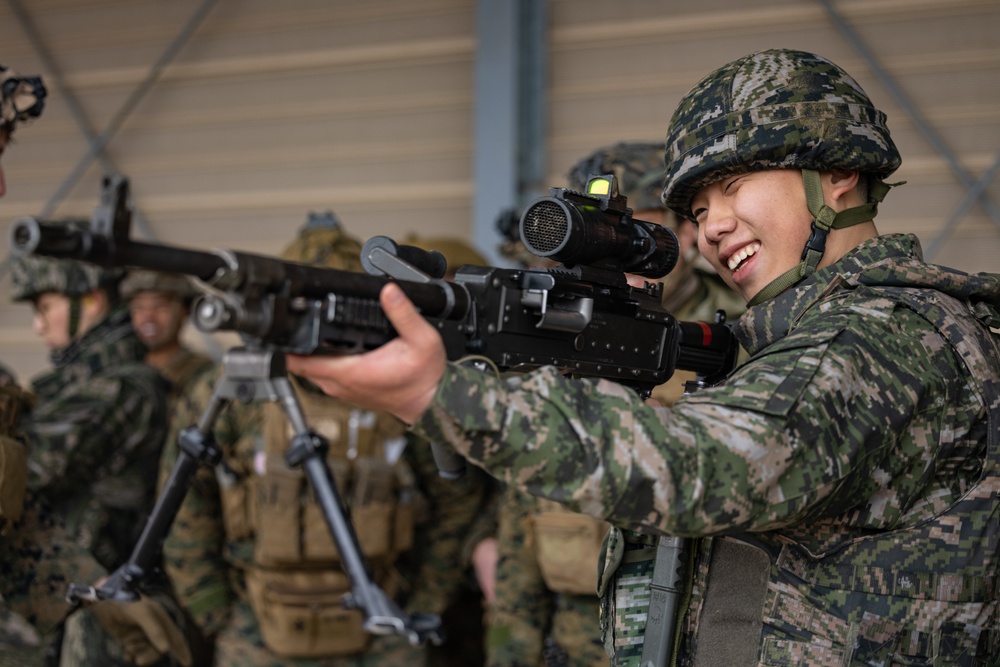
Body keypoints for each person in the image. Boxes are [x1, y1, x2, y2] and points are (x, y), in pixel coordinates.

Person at [285, 48, 1000, 666]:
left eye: (733, 185)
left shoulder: (892, 332)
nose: (711, 227)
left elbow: (710, 465)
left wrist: (442, 394)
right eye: (694, 209)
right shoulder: (774, 340)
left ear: (837, 173)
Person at [159, 211, 490, 666]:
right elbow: (183, 504)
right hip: (259, 630)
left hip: (383, 631)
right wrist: (219, 614)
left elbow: (456, 500)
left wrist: (421, 606)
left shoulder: (399, 386)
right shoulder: (237, 388)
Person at [484, 142, 744, 667]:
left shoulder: (743, 325)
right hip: (578, 638)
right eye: (591, 233)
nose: (609, 249)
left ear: (683, 233)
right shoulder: (557, 325)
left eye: (629, 234)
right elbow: (522, 516)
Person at [1, 63, 191, 667]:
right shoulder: (75, 382)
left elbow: (32, 469)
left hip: (89, 616)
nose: (38, 324)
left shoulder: (123, 387)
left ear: (91, 300)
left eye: (46, 305)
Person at [120, 269, 213, 402]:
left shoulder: (203, 375)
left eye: (159, 305)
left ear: (184, 311)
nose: (148, 316)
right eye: (139, 307)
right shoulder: (120, 371)